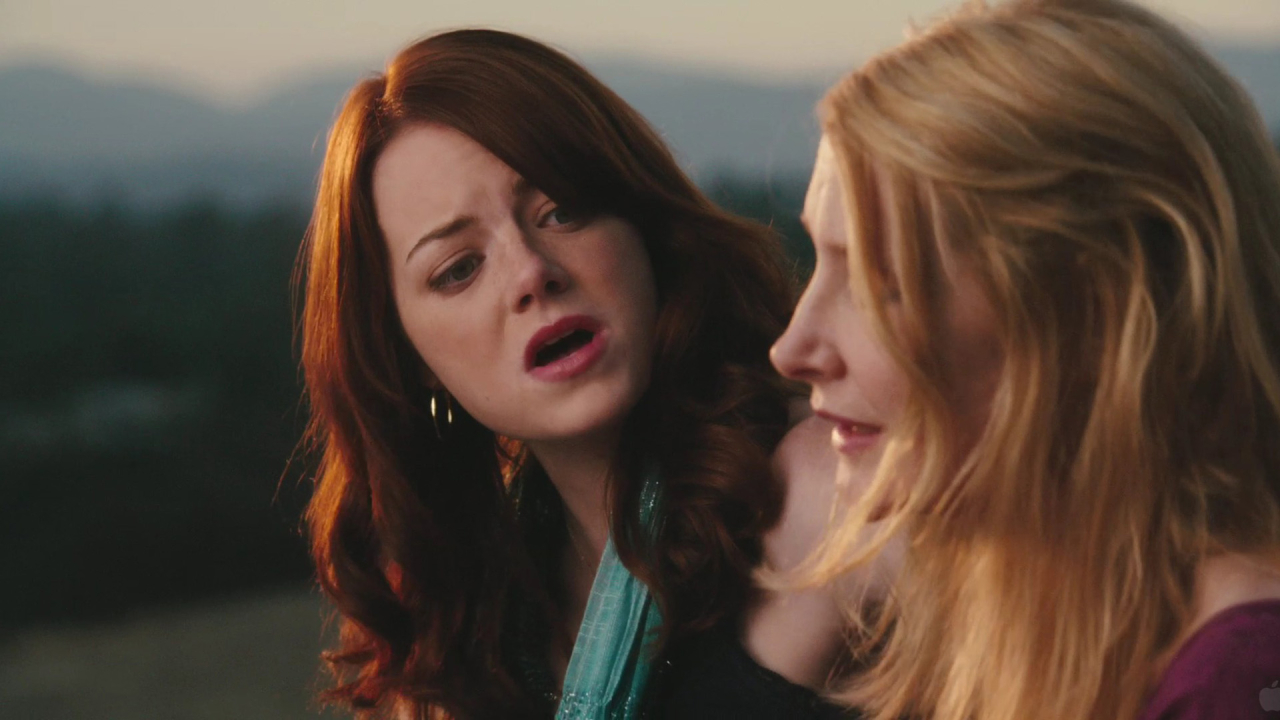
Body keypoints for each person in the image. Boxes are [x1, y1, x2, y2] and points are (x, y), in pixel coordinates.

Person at [297, 28, 852, 720]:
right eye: (459, 268)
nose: (531, 272)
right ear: (410, 358)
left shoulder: (823, 486)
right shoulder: (468, 634)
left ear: (642, 223)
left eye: (561, 210)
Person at [770, 1, 1280, 719]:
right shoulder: (1049, 629)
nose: (792, 350)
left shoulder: (1237, 682)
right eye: (819, 263)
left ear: (1095, 315)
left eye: (879, 284)